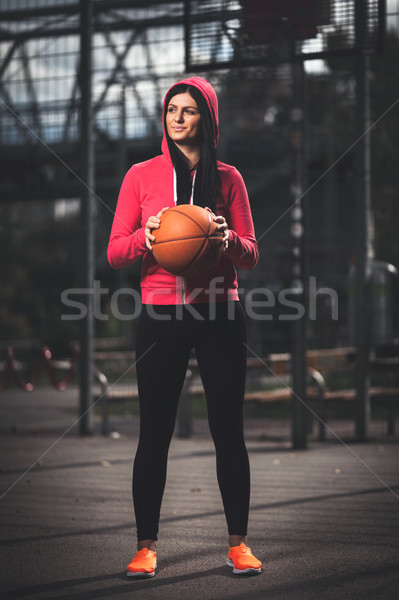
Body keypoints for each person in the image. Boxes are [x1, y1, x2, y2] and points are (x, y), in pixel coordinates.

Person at [107, 77, 261, 578]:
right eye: (171, 108)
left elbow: (253, 254)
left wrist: (227, 237)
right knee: (153, 434)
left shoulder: (230, 179)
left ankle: (238, 544)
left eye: (189, 109)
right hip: (161, 314)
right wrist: (145, 239)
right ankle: (145, 546)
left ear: (207, 119)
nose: (177, 117)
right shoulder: (140, 176)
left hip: (219, 313)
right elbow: (114, 253)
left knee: (228, 432)